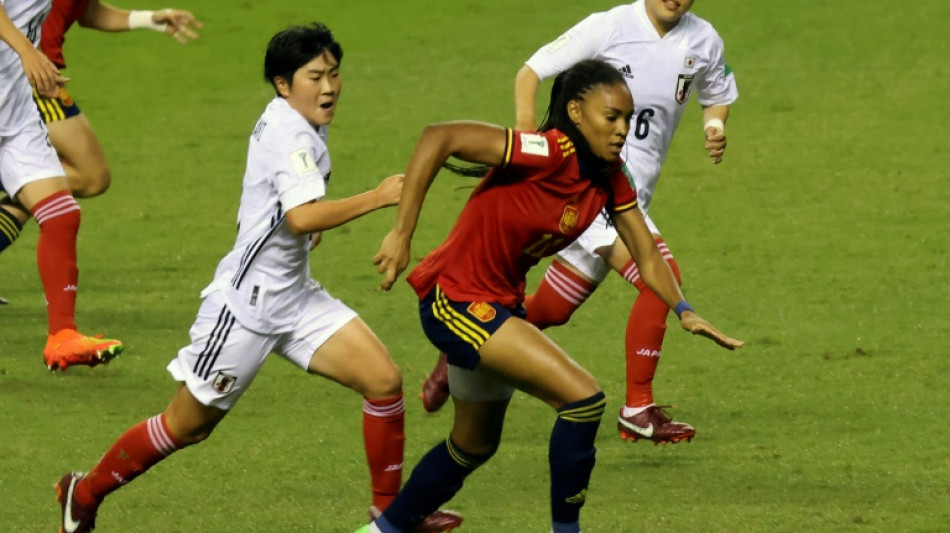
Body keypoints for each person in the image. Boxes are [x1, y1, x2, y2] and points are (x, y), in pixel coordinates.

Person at [55, 23, 461, 533]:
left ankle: (390, 515)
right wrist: (377, 197)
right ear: (282, 84)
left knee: (382, 382)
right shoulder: (292, 133)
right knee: (186, 427)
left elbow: (276, 209)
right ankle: (83, 492)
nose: (330, 87)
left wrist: (296, 232)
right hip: (246, 311)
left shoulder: (295, 118)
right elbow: (300, 217)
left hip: (294, 298)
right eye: (315, 77)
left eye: (334, 74)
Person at [358, 59, 743, 533]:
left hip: (499, 305)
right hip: (455, 299)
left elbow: (645, 251)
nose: (623, 129)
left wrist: (683, 309)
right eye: (612, 117)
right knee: (583, 400)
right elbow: (438, 136)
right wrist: (402, 232)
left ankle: (382, 530)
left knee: (473, 446)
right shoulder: (545, 152)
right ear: (577, 112)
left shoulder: (608, 177)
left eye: (627, 118)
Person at [421, 0, 738, 446]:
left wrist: (714, 127)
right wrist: (526, 128)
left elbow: (716, 95)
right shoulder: (609, 26)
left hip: (626, 194)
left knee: (552, 309)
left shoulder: (703, 40)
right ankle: (638, 408)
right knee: (660, 276)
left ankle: (461, 341)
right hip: (587, 186)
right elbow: (532, 70)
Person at [0, 1, 202, 257]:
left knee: (85, 179)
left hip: (43, 77)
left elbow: (86, 11)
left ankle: (19, 178)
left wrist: (149, 19)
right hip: (25, 80)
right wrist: (27, 52)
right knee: (87, 175)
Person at [0, 0, 123, 370]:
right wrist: (29, 53)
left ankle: (62, 337)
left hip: (16, 112)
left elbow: (84, 11)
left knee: (62, 216)